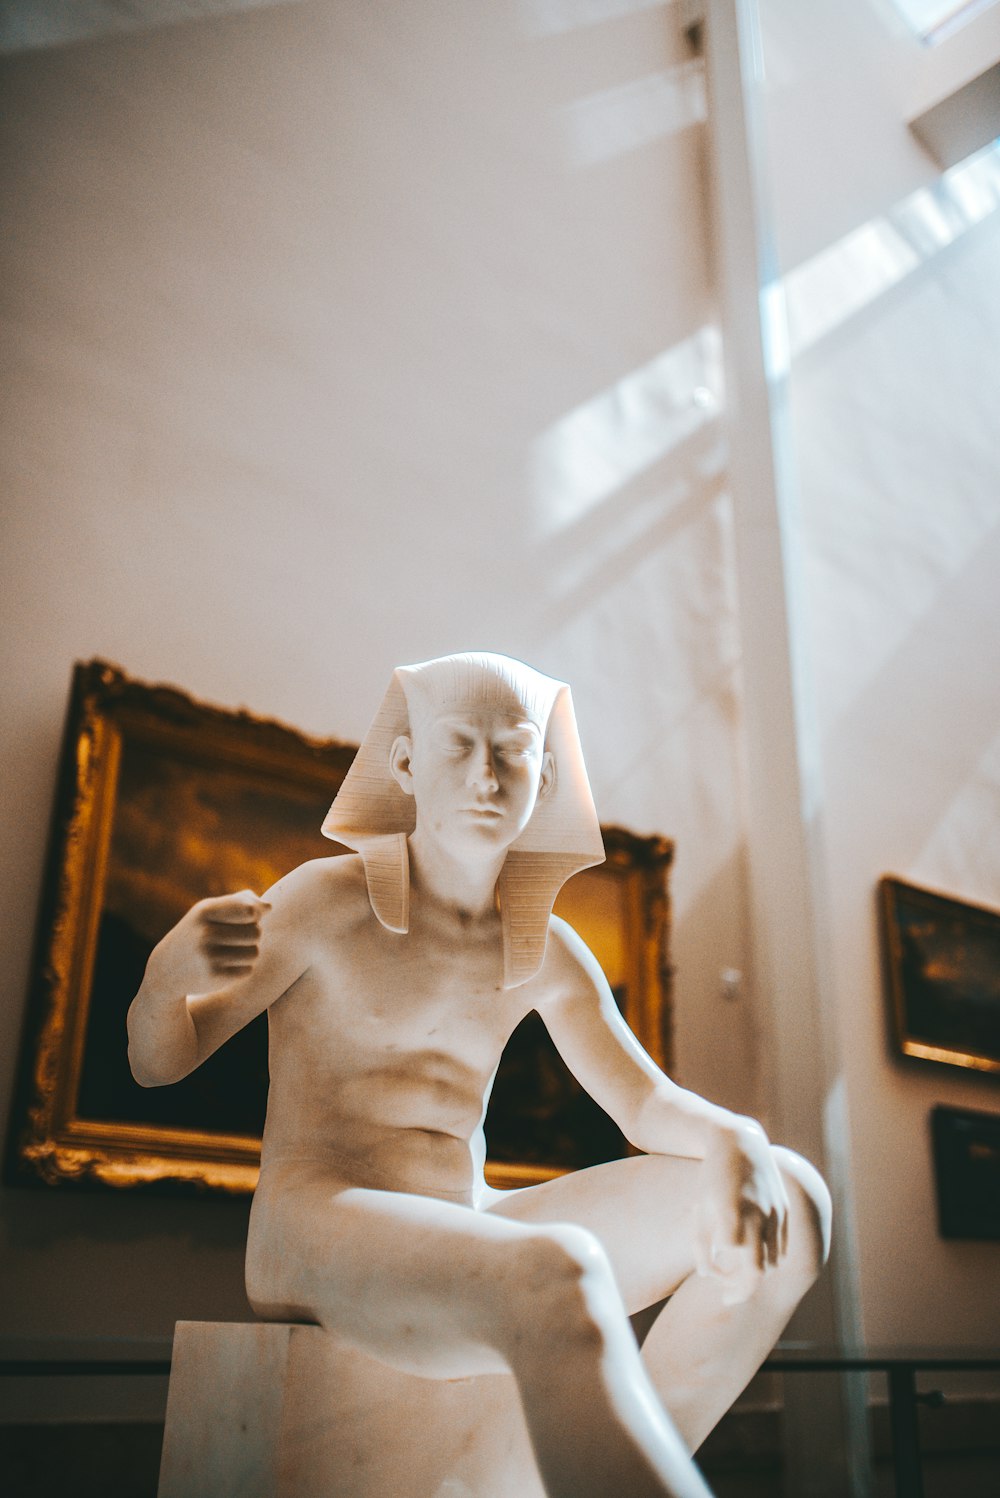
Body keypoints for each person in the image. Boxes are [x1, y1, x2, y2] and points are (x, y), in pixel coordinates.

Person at [127, 652, 831, 1498]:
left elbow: (643, 1103)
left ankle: (590, 1474)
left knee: (791, 1196)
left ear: (545, 775)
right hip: (317, 1222)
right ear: (405, 763)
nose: (487, 774)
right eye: (458, 744)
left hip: (468, 1215)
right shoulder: (323, 903)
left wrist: (738, 1139)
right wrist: (169, 978)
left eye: (514, 751)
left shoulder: (542, 947)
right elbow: (158, 1065)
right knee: (555, 1272)